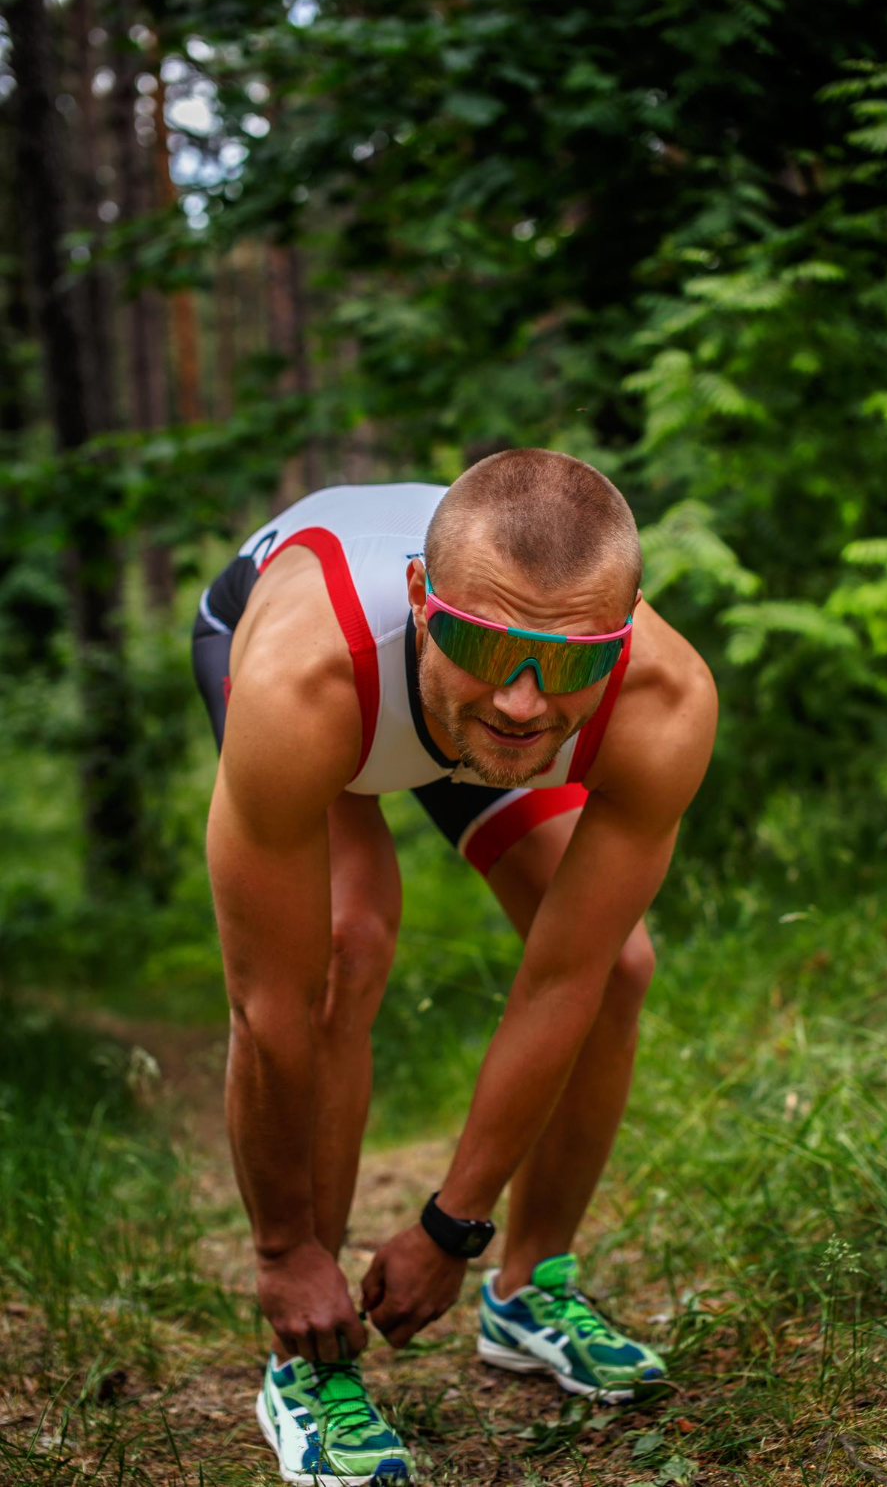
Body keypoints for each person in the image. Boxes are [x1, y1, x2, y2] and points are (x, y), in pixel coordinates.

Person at [192, 448, 717, 1486]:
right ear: (427, 603)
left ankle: (528, 1294)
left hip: (430, 700)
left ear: (620, 632)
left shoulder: (660, 698)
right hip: (335, 665)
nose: (524, 701)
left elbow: (564, 974)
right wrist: (282, 1249)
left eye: (568, 661)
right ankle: (307, 1357)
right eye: (489, 644)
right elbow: (268, 1006)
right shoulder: (303, 678)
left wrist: (454, 1224)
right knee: (345, 947)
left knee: (617, 968)